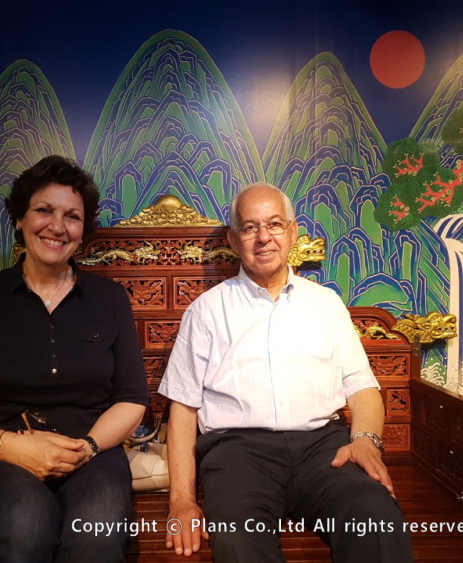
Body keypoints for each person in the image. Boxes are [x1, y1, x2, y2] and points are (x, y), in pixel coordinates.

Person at [158, 182, 413, 562]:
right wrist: (181, 502)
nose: (264, 237)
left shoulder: (326, 304)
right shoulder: (207, 311)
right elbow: (183, 407)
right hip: (239, 454)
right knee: (238, 540)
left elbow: (362, 388)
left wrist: (364, 440)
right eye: (249, 227)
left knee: (376, 515)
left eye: (275, 224)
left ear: (292, 231)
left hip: (323, 449)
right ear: (233, 239)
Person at [0, 155, 149, 563]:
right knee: (26, 528)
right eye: (44, 210)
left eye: (72, 216)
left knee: (95, 540)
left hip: (91, 454)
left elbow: (132, 398)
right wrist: (12, 448)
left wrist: (87, 448)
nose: (57, 227)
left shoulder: (109, 299)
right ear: (20, 218)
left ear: (83, 230)